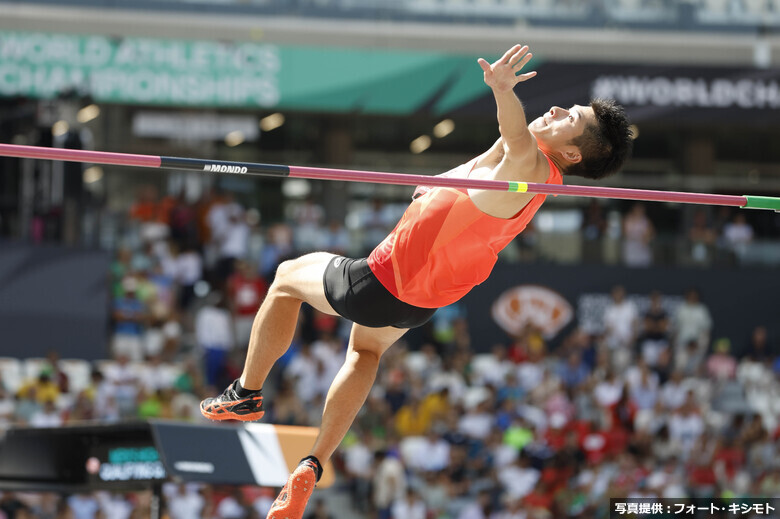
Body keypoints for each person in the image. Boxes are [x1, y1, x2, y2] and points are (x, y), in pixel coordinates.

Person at [199, 43, 632, 519]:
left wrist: (503, 92)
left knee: (283, 279)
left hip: (383, 280)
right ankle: (313, 463)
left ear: (572, 151)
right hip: (418, 303)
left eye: (569, 115)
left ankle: (245, 392)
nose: (555, 109)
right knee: (364, 353)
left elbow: (516, 137)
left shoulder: (530, 167)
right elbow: (506, 143)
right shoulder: (513, 171)